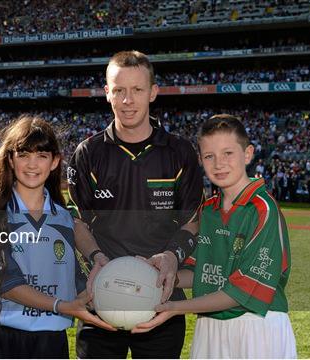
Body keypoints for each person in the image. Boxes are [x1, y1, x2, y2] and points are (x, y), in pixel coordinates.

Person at [67, 50, 203, 358]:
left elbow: (192, 219)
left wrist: (170, 256)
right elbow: (77, 221)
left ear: (153, 92)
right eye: (119, 90)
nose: (128, 100)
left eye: (137, 90)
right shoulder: (87, 154)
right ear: (107, 94)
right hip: (99, 299)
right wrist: (97, 257)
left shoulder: (180, 152)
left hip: (160, 301)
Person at [132, 115, 297, 359]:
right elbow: (200, 272)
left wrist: (175, 308)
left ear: (248, 154)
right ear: (201, 159)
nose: (219, 163)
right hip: (209, 325)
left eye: (228, 153)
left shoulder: (263, 209)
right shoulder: (207, 210)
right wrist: (158, 277)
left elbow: (242, 292)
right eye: (209, 156)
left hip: (256, 325)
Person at [0, 115, 114, 359]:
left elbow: (73, 279)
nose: (32, 164)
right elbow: (4, 281)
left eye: (41, 156)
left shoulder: (63, 217)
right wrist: (61, 305)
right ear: (10, 159)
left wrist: (110, 294)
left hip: (48, 343)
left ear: (54, 162)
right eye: (24, 154)